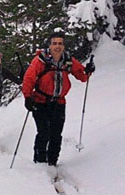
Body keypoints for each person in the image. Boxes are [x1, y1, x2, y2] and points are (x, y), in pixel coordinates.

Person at [21, 31, 94, 166]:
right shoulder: (40, 60)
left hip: (59, 102)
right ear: (50, 46)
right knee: (43, 133)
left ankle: (52, 162)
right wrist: (27, 97)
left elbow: (82, 76)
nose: (57, 46)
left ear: (63, 46)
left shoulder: (68, 60)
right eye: (54, 43)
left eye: (60, 43)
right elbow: (29, 78)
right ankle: (40, 163)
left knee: (56, 134)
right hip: (40, 102)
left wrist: (88, 70)